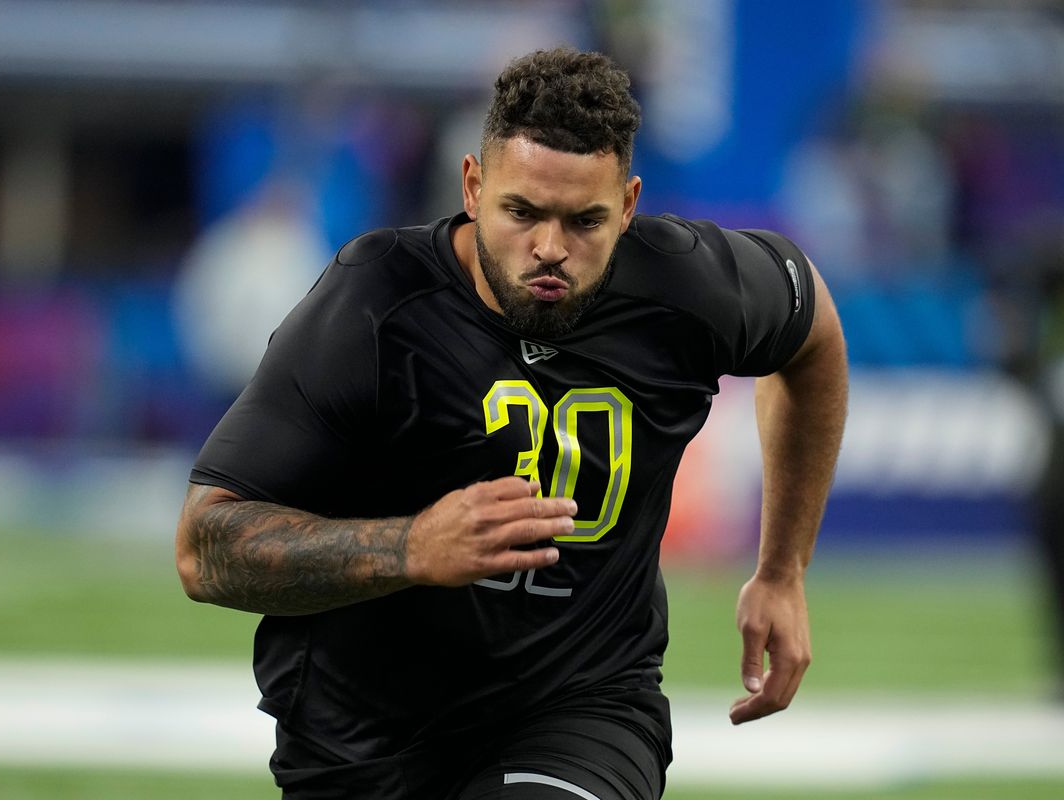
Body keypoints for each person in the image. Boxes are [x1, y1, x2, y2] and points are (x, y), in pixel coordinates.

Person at [176, 47, 848, 799]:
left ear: (628, 205)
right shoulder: (372, 307)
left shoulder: (689, 287)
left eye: (584, 220)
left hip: (581, 705)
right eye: (522, 212)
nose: (550, 249)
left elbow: (813, 333)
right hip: (361, 730)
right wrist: (410, 547)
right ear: (472, 186)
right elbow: (205, 549)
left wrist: (782, 571)